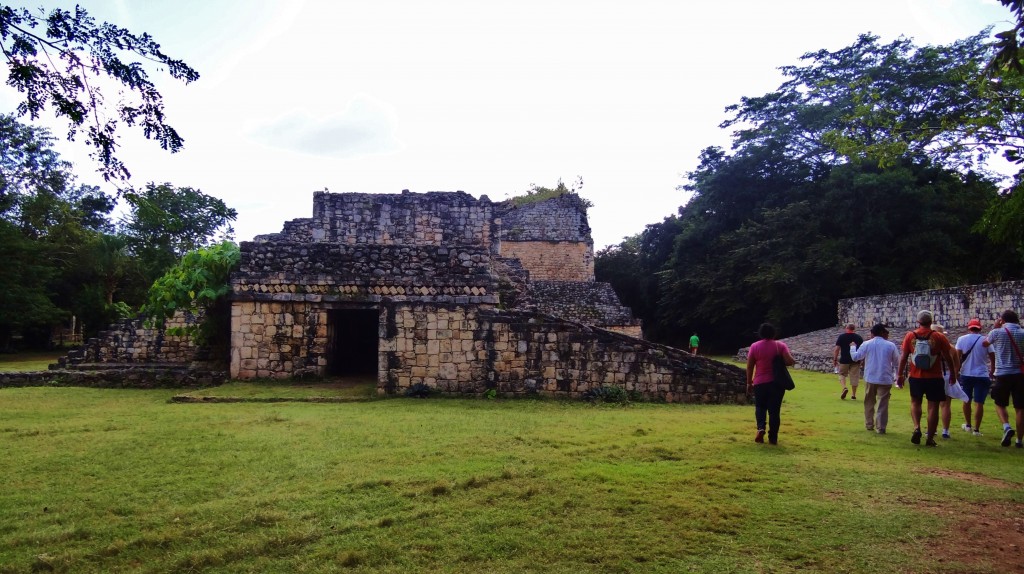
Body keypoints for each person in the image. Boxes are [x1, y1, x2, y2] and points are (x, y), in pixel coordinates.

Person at [897, 310, 958, 447]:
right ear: (931, 321)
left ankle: (917, 427)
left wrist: (900, 375)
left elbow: (904, 357)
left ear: (918, 321)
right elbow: (948, 357)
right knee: (933, 407)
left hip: (916, 375)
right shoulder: (938, 336)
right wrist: (953, 373)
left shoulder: (910, 336)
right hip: (934, 376)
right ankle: (930, 438)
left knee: (915, 402)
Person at [745, 323, 795, 445]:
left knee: (760, 407)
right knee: (774, 411)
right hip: (776, 383)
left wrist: (748, 383)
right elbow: (790, 361)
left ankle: (761, 428)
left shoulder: (754, 346)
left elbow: (750, 366)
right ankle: (773, 438)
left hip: (759, 382)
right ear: (774, 333)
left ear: (760, 334)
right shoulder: (780, 346)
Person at [984, 310, 1024, 448]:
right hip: (1020, 374)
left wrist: (996, 326)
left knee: (999, 403)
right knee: (1020, 408)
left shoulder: (997, 332)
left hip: (1003, 373)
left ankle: (1007, 427)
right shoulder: (1022, 333)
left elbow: (985, 344)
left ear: (1002, 320)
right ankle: (1019, 440)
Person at [850, 323, 900, 434]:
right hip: (885, 377)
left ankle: (869, 424)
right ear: (883, 333)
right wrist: (898, 376)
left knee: (869, 402)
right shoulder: (890, 345)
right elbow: (897, 363)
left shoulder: (867, 344)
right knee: (883, 403)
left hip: (871, 377)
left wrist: (853, 347)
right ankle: (881, 427)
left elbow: (855, 357)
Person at [956, 318, 995, 436]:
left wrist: (956, 371)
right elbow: (992, 357)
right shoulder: (985, 340)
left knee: (966, 400)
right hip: (981, 373)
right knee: (979, 402)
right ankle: (976, 429)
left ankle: (968, 424)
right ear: (980, 328)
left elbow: (958, 358)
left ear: (969, 328)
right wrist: (992, 370)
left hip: (966, 373)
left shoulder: (962, 339)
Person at [932, 324, 960, 439]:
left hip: (934, 376)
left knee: (933, 405)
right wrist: (953, 376)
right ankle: (945, 431)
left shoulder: (930, 347)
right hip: (947, 375)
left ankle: (932, 430)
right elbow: (957, 365)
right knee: (946, 405)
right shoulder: (951, 348)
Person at [833, 323, 863, 400]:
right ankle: (853, 395)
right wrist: (862, 359)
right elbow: (862, 350)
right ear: (854, 329)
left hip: (844, 360)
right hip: (855, 360)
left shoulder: (842, 337)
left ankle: (844, 388)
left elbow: (837, 349)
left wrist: (835, 359)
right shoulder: (859, 338)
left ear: (847, 328)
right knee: (854, 377)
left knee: (842, 374)